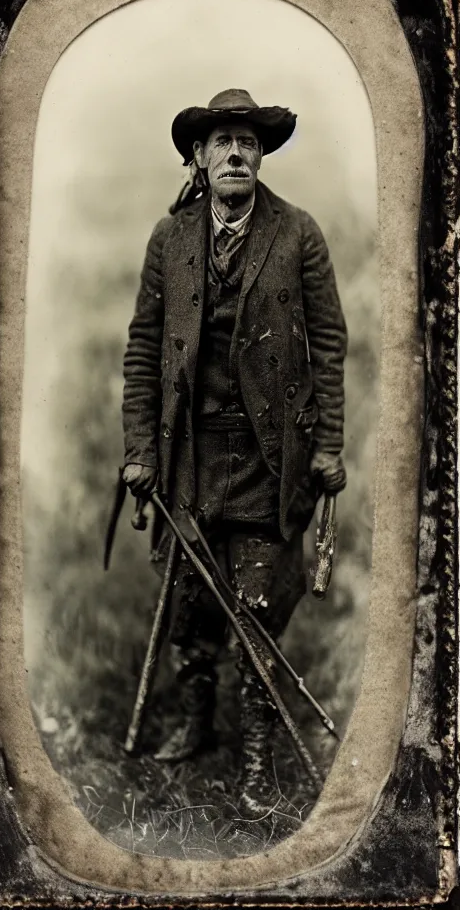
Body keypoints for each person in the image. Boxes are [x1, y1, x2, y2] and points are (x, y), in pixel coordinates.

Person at [121, 88, 347, 816]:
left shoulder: (299, 234)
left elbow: (331, 344)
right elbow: (144, 350)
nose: (236, 153)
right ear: (198, 157)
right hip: (186, 457)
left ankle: (255, 753)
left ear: (261, 157)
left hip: (269, 458)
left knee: (254, 603)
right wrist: (138, 451)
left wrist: (330, 445)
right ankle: (195, 724)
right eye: (221, 141)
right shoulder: (170, 238)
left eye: (248, 141)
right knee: (189, 599)